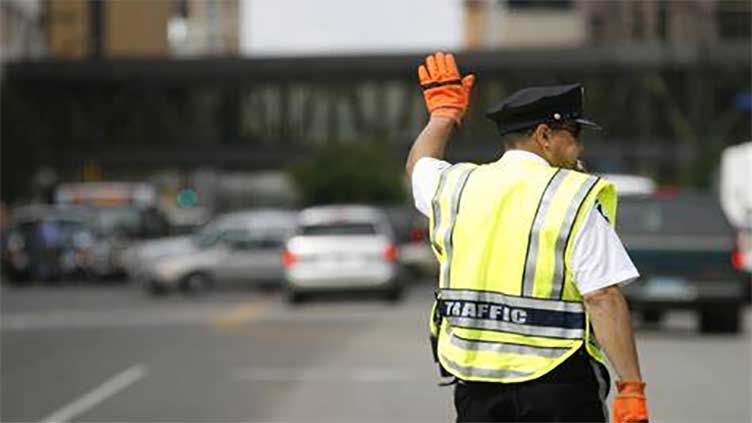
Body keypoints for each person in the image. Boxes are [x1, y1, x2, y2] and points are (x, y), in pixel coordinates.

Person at [405, 52, 650, 423]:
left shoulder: (456, 186)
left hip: (475, 385)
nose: (579, 147)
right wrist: (631, 388)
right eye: (575, 133)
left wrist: (443, 116)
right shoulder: (572, 195)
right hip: (558, 384)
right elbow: (602, 296)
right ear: (544, 135)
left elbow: (418, 166)